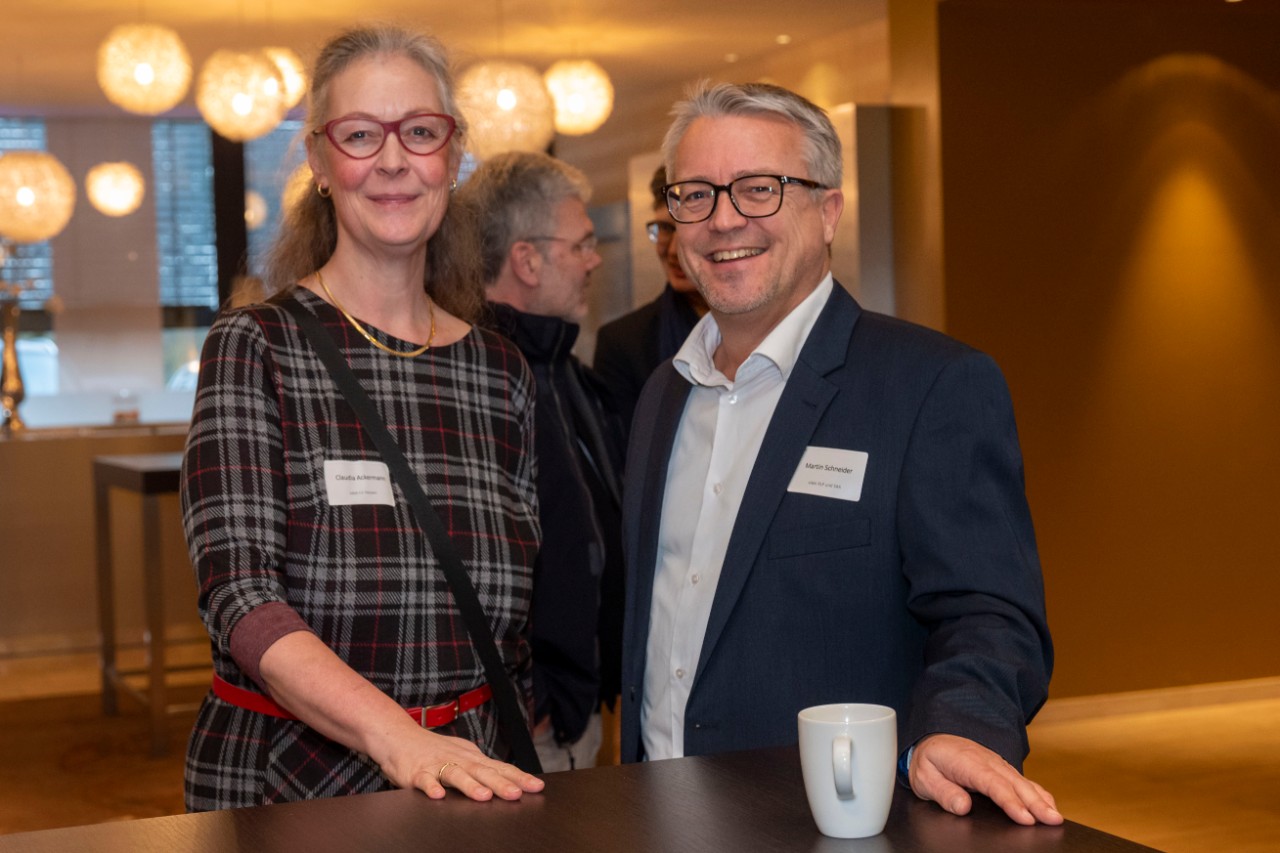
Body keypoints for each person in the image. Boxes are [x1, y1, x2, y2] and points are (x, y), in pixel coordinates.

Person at [619, 80, 1062, 827]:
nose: (724, 219)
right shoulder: (663, 394)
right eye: (694, 194)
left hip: (833, 823)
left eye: (759, 189)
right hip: (657, 815)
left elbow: (988, 610)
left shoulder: (931, 385)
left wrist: (958, 722)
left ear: (828, 209)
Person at [181, 24, 545, 811]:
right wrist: (397, 736)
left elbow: (513, 621)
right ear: (317, 160)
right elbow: (240, 593)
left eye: (419, 132)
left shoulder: (502, 370)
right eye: (359, 135)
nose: (392, 161)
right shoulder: (256, 346)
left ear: (452, 155)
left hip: (469, 785)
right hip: (290, 788)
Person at [457, 151, 625, 772]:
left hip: (582, 702)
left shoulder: (569, 372)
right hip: (528, 721)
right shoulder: (474, 383)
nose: (595, 258)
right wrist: (531, 693)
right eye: (581, 244)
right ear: (526, 260)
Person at [593, 165, 706, 433]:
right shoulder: (623, 342)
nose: (674, 251)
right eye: (665, 228)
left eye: (687, 227)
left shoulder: (756, 327)